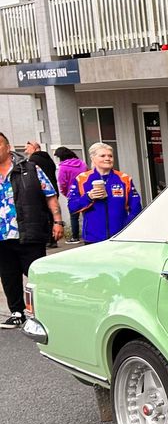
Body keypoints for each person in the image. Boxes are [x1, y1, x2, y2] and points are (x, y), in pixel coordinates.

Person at [0, 132, 64, 328]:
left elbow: (50, 195)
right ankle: (17, 312)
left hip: (29, 231)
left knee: (36, 274)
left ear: (8, 146)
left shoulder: (29, 168)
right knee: (9, 276)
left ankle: (47, 311)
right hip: (2, 236)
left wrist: (58, 221)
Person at [67, 142, 142, 244]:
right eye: (103, 156)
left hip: (120, 237)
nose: (108, 158)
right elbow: (72, 207)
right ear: (93, 158)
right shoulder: (82, 179)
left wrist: (127, 228)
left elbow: (136, 207)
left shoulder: (124, 178)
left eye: (110, 156)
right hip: (93, 238)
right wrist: (89, 197)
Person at [25, 140, 58, 247]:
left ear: (35, 148)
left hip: (41, 191)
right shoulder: (49, 159)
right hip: (53, 189)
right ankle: (53, 239)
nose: (25, 151)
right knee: (51, 214)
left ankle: (47, 239)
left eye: (27, 148)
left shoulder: (33, 160)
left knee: (42, 215)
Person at [54, 146, 88, 244]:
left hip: (72, 194)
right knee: (86, 215)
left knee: (74, 216)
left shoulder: (63, 167)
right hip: (86, 192)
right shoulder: (82, 163)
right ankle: (87, 234)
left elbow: (62, 182)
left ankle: (75, 237)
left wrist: (66, 193)